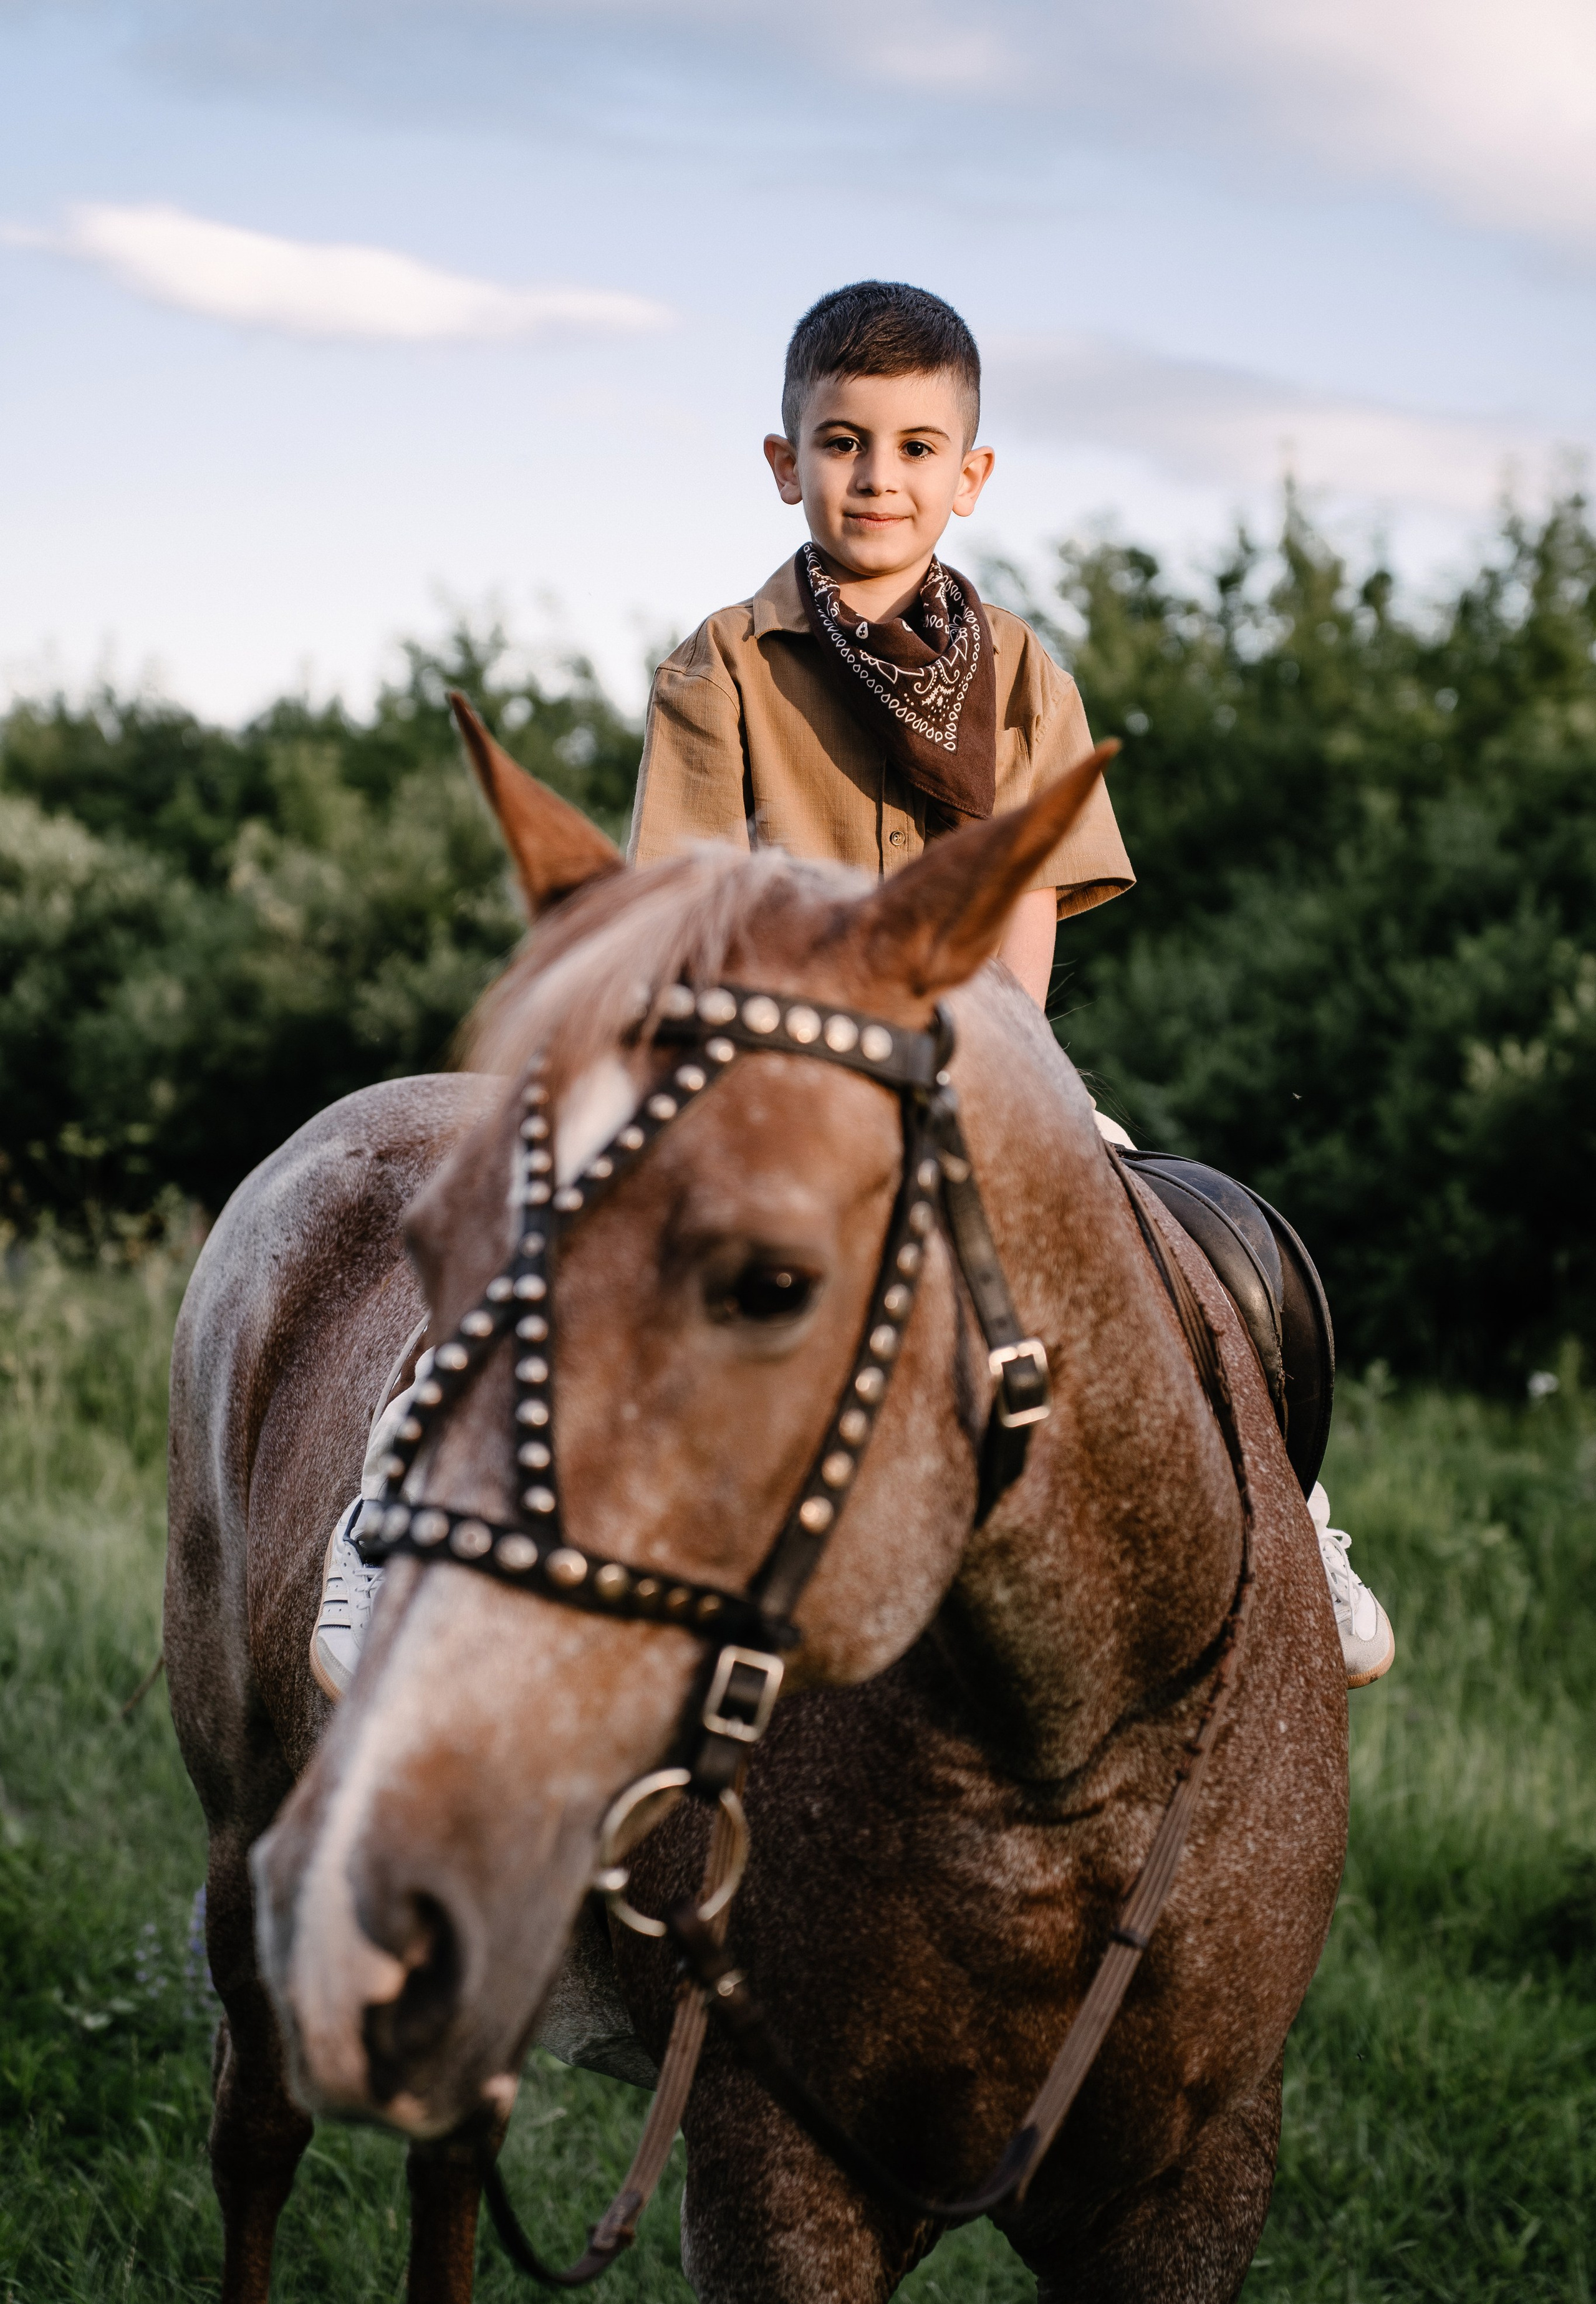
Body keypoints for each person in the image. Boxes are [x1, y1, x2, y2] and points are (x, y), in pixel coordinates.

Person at [311, 279, 1392, 1698]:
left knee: (1205, 1250)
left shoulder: (1025, 678)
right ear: (786, 463)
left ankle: (1294, 1519)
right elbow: (688, 911)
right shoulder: (721, 665)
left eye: (914, 447)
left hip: (976, 1054)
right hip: (768, 1063)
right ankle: (384, 1507)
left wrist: (1007, 1064)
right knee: (558, 1215)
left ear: (970, 476)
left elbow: (1023, 903)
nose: (877, 476)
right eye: (841, 442)